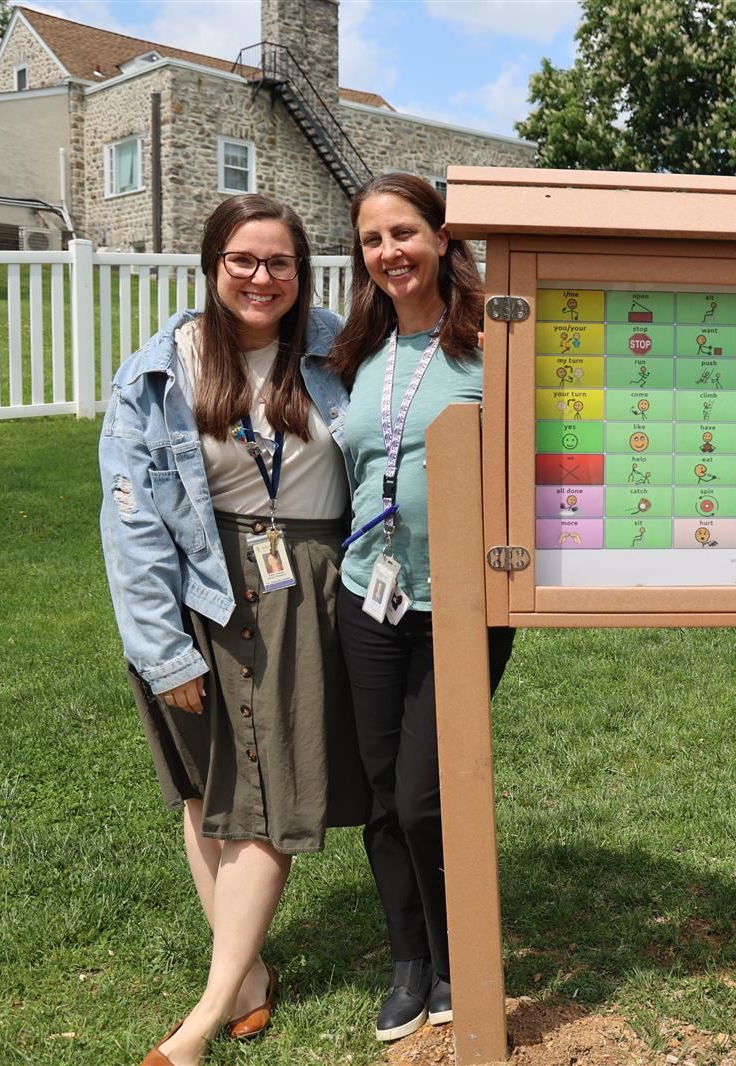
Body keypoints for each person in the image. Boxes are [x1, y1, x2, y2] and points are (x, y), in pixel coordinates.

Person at [99, 195, 366, 1066]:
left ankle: (201, 1023)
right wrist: (163, 647)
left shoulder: (338, 349)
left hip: (305, 587)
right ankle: (245, 980)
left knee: (263, 799)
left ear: (303, 270)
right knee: (207, 789)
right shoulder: (162, 369)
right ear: (212, 266)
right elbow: (131, 519)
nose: (262, 278)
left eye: (280, 262)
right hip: (198, 587)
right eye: (244, 261)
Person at [327, 173, 516, 1042]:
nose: (389, 252)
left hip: (464, 604)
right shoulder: (357, 353)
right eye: (372, 240)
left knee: (426, 793)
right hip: (370, 597)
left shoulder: (493, 345)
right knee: (379, 791)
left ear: (443, 238)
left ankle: (457, 957)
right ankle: (411, 961)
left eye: (403, 233)